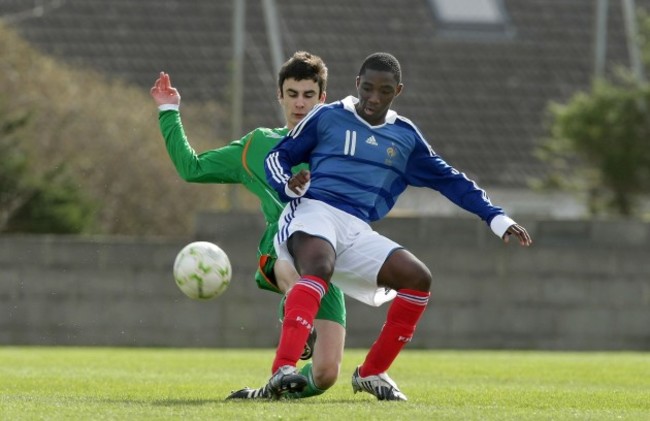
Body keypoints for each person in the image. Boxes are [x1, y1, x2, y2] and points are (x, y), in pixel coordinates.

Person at [262, 52, 533, 401]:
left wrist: (497, 218)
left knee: (417, 278)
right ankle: (282, 369)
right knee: (319, 267)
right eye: (369, 88)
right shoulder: (328, 117)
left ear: (398, 91)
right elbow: (278, 156)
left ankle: (373, 371)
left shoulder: (404, 137)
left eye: (385, 91)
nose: (374, 98)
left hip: (357, 227)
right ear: (358, 84)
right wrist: (288, 184)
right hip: (314, 211)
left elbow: (450, 179)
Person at [150, 51, 353, 400]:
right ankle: (295, 318)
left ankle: (269, 393)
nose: (299, 104)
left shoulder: (339, 148)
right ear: (280, 96)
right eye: (292, 94)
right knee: (293, 270)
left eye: (308, 95)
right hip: (279, 250)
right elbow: (192, 168)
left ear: (322, 98)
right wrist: (169, 112)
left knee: (326, 374)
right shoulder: (257, 146)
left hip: (326, 260)